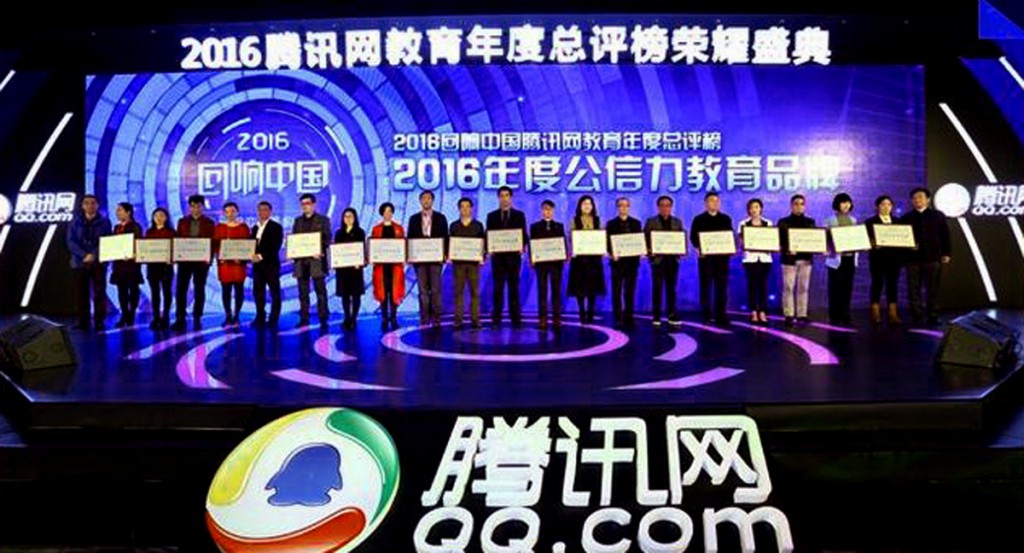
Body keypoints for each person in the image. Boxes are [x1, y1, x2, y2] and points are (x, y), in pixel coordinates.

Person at [902, 187, 951, 326]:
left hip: (933, 258)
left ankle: (933, 315)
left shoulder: (938, 215)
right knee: (913, 289)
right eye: (914, 198)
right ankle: (916, 315)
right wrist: (907, 247)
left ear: (928, 199)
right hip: (912, 259)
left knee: (933, 289)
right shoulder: (906, 217)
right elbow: (901, 239)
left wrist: (946, 253)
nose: (917, 200)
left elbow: (945, 235)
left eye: (920, 197)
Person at [67, 195, 112, 331]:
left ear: (97, 205)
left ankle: (99, 321)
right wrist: (84, 255)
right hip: (79, 262)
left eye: (93, 203)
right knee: (81, 293)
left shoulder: (105, 222)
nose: (90, 205)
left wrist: (93, 255)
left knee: (99, 292)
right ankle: (83, 321)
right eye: (86, 203)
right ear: (82, 206)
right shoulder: (75, 221)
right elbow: (70, 241)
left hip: (98, 262)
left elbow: (107, 240)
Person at [485, 186, 527, 328]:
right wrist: (489, 247)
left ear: (511, 198)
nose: (504, 198)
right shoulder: (491, 216)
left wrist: (522, 245)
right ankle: (496, 319)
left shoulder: (519, 215)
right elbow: (488, 235)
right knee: (498, 288)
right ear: (498, 198)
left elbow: (524, 235)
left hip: (514, 259)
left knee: (514, 288)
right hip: (497, 259)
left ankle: (516, 318)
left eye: (507, 195)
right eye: (501, 196)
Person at [690, 192, 734, 326]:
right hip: (706, 259)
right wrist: (698, 249)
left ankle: (721, 314)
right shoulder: (699, 219)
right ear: (705, 203)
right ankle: (706, 314)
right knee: (705, 287)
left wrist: (730, 247)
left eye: (716, 201)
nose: (714, 203)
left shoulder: (725, 219)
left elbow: (729, 236)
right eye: (711, 201)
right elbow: (693, 237)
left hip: (722, 260)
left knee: (722, 287)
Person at [407, 190, 449, 327]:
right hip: (419, 260)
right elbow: (410, 238)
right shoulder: (413, 219)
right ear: (420, 201)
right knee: (423, 291)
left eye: (429, 198)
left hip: (436, 259)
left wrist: (446, 254)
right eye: (423, 198)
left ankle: (436, 318)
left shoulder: (441, 218)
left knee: (436, 290)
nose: (426, 200)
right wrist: (410, 254)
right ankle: (424, 318)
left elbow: (446, 237)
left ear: (432, 201)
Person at [173, 195, 215, 331]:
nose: (196, 209)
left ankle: (197, 314)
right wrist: (176, 255)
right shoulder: (182, 221)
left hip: (201, 261)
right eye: (193, 206)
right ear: (189, 207)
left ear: (202, 207)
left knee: (199, 288)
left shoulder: (209, 222)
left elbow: (212, 242)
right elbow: (178, 239)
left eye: (198, 206)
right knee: (181, 288)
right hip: (184, 261)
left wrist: (209, 258)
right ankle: (180, 316)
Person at [643, 195, 685, 327]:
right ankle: (656, 315)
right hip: (657, 260)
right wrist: (649, 250)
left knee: (672, 288)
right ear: (658, 207)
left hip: (673, 260)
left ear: (671, 207)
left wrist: (682, 250)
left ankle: (672, 314)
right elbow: (644, 239)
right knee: (657, 288)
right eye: (662, 205)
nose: (665, 208)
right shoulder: (651, 221)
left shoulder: (677, 222)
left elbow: (682, 239)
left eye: (668, 205)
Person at [292, 193, 332, 329]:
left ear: (314, 205)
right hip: (301, 262)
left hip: (317, 261)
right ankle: (304, 318)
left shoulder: (323, 220)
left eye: (308, 203)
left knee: (320, 291)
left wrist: (319, 249)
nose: (305, 206)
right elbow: (294, 241)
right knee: (303, 293)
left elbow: (327, 239)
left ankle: (323, 318)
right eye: (303, 204)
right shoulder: (297, 221)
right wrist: (293, 252)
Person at [778, 194, 816, 326]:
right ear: (791, 206)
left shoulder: (810, 222)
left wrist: (820, 248)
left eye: (802, 204)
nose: (799, 206)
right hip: (789, 260)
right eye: (796, 203)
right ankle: (788, 315)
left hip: (806, 259)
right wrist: (787, 249)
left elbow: (814, 240)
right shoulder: (783, 222)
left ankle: (802, 315)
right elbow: (779, 242)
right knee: (788, 288)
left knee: (803, 288)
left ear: (805, 206)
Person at [865, 195, 904, 326]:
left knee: (893, 285)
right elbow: (865, 240)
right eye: (883, 204)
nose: (886, 207)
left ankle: (893, 313)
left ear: (892, 207)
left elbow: (903, 238)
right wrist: (872, 243)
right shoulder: (870, 222)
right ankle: (875, 312)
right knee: (877, 284)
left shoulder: (898, 221)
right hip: (877, 259)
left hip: (894, 259)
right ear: (877, 207)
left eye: (889, 204)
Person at [567, 195, 606, 325]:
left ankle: (590, 312)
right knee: (580, 287)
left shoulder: (598, 220)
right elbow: (571, 237)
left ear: (593, 206)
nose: (587, 206)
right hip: (579, 259)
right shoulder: (574, 220)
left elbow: (601, 237)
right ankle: (581, 312)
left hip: (594, 259)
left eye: (589, 203)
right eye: (584, 203)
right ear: (580, 206)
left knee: (592, 287)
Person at [449, 197, 486, 330]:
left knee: (475, 292)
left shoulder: (478, 225)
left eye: (467, 206)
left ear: (471, 209)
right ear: (459, 209)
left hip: (473, 264)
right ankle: (458, 320)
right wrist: (450, 255)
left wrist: (482, 256)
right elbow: (450, 243)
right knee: (458, 292)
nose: (465, 209)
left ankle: (475, 320)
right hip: (458, 264)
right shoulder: (453, 225)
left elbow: (483, 243)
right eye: (462, 206)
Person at [606, 197, 642, 329]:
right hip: (617, 263)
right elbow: (607, 242)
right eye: (621, 205)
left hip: (632, 263)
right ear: (617, 207)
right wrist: (611, 254)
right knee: (616, 291)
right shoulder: (611, 224)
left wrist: (641, 251)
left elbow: (639, 241)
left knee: (630, 291)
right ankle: (617, 317)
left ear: (629, 207)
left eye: (626, 205)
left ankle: (629, 317)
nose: (624, 208)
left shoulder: (636, 223)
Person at [530, 200, 566, 330]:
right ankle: (542, 318)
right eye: (545, 209)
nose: (547, 211)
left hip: (556, 264)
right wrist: (532, 258)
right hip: (541, 264)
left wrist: (564, 255)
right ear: (541, 210)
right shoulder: (535, 227)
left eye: (550, 209)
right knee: (542, 291)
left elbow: (563, 242)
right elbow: (532, 243)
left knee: (556, 291)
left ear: (553, 211)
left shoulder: (559, 226)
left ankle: (557, 318)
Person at [213, 202, 249, 327]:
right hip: (225, 266)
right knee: (226, 291)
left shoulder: (243, 227)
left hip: (238, 265)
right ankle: (228, 315)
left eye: (233, 211)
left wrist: (242, 258)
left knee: (239, 290)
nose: (230, 214)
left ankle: (236, 315)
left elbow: (247, 246)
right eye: (227, 211)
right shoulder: (219, 227)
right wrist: (220, 257)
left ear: (237, 212)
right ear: (224, 213)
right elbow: (215, 246)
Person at [737, 198, 772, 325]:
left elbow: (771, 240)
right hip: (749, 259)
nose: (754, 210)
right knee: (752, 285)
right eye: (752, 207)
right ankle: (753, 311)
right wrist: (744, 243)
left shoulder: (768, 223)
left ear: (761, 209)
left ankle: (762, 311)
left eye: (757, 207)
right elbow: (741, 243)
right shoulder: (743, 224)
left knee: (763, 285)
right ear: (748, 210)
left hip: (765, 258)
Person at [825, 193, 858, 326]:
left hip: (850, 258)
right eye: (843, 202)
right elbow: (825, 239)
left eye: (848, 202)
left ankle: (845, 313)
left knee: (847, 287)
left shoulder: (853, 220)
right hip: (835, 259)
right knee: (835, 287)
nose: (846, 205)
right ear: (837, 204)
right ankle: (834, 314)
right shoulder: (830, 220)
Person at [371, 202, 405, 330]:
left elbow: (403, 246)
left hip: (395, 267)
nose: (388, 214)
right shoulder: (376, 229)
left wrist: (404, 257)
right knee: (383, 294)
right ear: (382, 213)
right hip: (381, 268)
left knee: (394, 293)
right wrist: (373, 257)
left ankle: (394, 318)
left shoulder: (399, 228)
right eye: (385, 211)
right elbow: (373, 247)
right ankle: (385, 318)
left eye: (390, 211)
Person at [110, 202, 143, 328]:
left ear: (128, 212)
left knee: (133, 290)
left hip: (132, 264)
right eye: (117, 210)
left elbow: (138, 243)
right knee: (121, 291)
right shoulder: (116, 228)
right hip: (119, 264)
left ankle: (131, 314)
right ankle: (124, 315)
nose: (117, 213)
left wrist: (132, 253)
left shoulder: (135, 226)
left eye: (120, 210)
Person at [251, 201, 283, 328]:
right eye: (260, 210)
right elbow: (251, 246)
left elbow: (275, 246)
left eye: (265, 209)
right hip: (257, 267)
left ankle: (274, 318)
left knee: (274, 292)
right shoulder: (254, 228)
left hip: (271, 266)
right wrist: (249, 255)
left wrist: (260, 256)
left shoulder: (276, 227)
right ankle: (260, 316)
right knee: (258, 292)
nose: (262, 212)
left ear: (270, 212)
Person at [334, 207, 366, 331]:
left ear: (355, 218)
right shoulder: (339, 233)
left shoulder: (360, 232)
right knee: (345, 295)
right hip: (343, 270)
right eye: (345, 216)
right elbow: (336, 250)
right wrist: (335, 261)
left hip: (356, 270)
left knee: (356, 294)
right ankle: (347, 317)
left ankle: (354, 318)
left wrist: (360, 262)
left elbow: (363, 249)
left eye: (350, 216)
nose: (348, 219)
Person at [145, 208, 175, 330]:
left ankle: (166, 316)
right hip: (152, 267)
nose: (159, 218)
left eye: (162, 215)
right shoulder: (149, 232)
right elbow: (145, 249)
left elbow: (175, 248)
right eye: (156, 215)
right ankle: (156, 316)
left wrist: (172, 258)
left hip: (166, 267)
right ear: (153, 218)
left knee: (167, 292)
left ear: (166, 218)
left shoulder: (171, 232)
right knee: (154, 293)